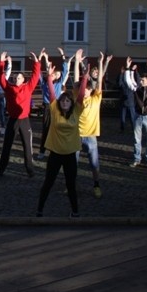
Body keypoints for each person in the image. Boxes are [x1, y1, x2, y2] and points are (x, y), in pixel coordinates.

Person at [36, 50, 87, 217]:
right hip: (55, 154)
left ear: (70, 103)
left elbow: (80, 95)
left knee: (71, 184)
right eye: (63, 100)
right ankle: (40, 209)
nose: (65, 102)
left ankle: (75, 211)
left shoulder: (76, 111)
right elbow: (51, 93)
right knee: (48, 182)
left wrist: (84, 75)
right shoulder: (54, 110)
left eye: (67, 100)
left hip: (70, 154)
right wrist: (49, 77)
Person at [0, 50, 41, 177]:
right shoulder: (9, 88)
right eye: (15, 77)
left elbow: (35, 76)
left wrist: (36, 62)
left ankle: (30, 170)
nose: (17, 79)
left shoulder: (28, 87)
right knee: (7, 146)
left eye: (19, 77)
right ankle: (1, 169)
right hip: (12, 119)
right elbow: (0, 76)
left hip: (24, 120)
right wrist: (1, 62)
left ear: (23, 80)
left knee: (27, 147)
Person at [76, 52, 112, 198]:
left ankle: (96, 185)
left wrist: (100, 63)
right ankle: (70, 185)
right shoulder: (77, 99)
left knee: (94, 164)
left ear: (91, 91)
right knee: (72, 165)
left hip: (91, 136)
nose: (84, 91)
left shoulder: (96, 99)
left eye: (87, 90)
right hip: (76, 136)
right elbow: (77, 79)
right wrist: (77, 62)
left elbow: (100, 79)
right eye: (83, 89)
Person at [37, 48, 71, 161]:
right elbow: (38, 74)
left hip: (57, 107)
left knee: (57, 128)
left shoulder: (59, 82)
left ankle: (56, 150)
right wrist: (41, 58)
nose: (54, 75)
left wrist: (62, 55)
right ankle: (42, 151)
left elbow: (65, 71)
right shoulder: (44, 83)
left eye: (56, 74)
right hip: (47, 107)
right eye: (53, 74)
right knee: (46, 129)